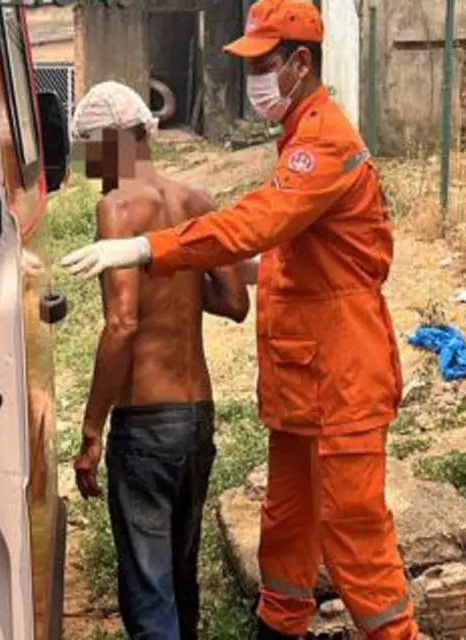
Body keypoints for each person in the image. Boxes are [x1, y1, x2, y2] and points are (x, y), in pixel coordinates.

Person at [60, 2, 420, 639]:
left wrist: (148, 250)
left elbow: (258, 224)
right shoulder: (290, 146)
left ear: (300, 63)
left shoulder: (324, 143)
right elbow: (279, 264)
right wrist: (204, 270)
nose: (252, 80)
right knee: (285, 525)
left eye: (264, 64)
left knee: (353, 537)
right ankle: (279, 628)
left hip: (341, 376)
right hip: (298, 382)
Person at [68, 81, 250, 640]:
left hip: (145, 422)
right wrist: (181, 292)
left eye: (89, 150)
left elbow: (122, 325)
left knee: (150, 595)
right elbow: (236, 302)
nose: (89, 165)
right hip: (196, 416)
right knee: (181, 578)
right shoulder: (196, 200)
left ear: (108, 141)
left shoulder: (118, 207)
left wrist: (92, 430)